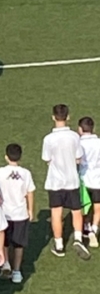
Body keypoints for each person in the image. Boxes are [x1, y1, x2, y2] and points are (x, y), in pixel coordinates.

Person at [42, 104, 89, 259]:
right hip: (72, 180)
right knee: (76, 210)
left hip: (55, 182)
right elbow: (78, 157)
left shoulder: (48, 139)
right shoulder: (75, 137)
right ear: (68, 117)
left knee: (56, 212)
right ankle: (77, 238)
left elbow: (46, 159)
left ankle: (59, 245)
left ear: (53, 117)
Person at [0, 143, 35, 282]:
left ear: (6, 157)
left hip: (4, 212)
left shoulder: (0, 172)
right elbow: (30, 192)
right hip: (20, 213)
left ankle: (5, 263)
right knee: (19, 244)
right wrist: (30, 209)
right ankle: (17, 271)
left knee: (4, 241)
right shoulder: (26, 173)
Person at [78, 117, 100, 248]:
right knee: (97, 207)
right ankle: (94, 228)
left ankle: (85, 227)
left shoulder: (78, 143)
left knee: (84, 206)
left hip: (83, 179)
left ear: (80, 129)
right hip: (98, 180)